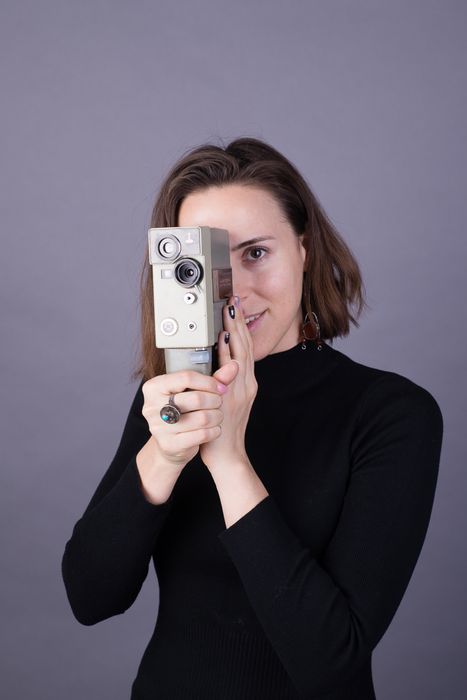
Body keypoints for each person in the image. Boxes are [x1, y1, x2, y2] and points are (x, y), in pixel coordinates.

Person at [61, 137, 444, 700]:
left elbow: (331, 660)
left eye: (256, 253)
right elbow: (91, 598)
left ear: (304, 250)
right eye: (206, 263)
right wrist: (164, 456)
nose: (234, 292)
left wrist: (229, 460)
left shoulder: (391, 414)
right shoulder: (170, 401)